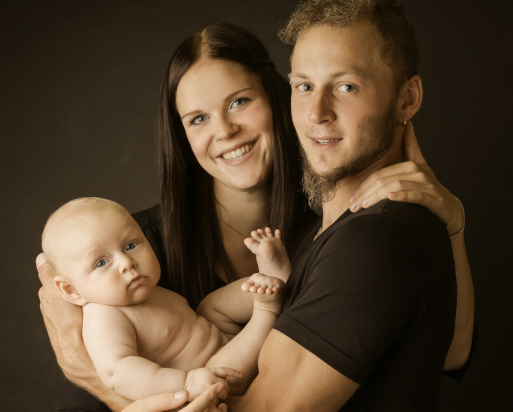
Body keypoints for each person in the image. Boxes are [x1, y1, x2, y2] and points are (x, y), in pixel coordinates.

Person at [38, 15, 473, 412]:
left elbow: (448, 351)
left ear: (278, 100)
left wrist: (451, 225)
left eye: (239, 102)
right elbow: (99, 382)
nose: (225, 131)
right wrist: (98, 380)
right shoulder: (134, 247)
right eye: (198, 119)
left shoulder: (327, 231)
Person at [41, 197, 286, 402]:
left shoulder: (144, 290)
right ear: (71, 290)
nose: (127, 263)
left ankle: (268, 279)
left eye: (130, 245)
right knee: (223, 367)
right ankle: (266, 309)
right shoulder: (104, 316)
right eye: (101, 262)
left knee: (210, 306)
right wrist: (186, 382)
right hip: (211, 378)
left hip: (217, 334)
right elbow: (118, 373)